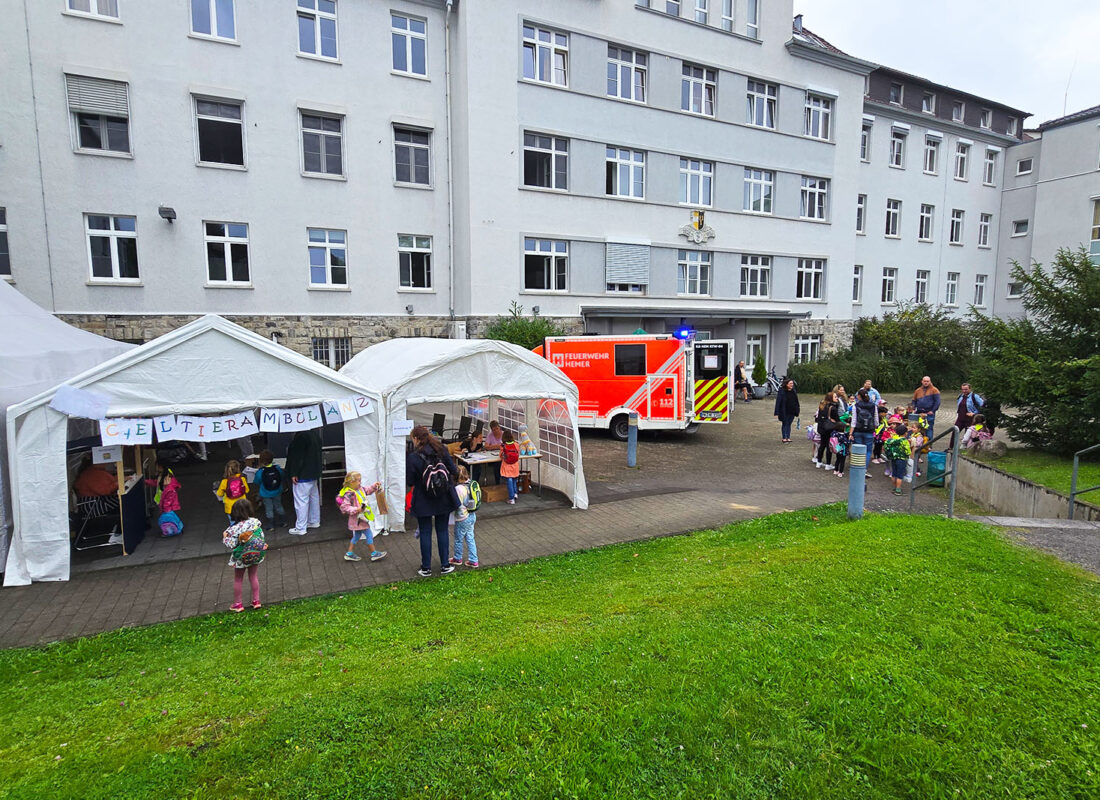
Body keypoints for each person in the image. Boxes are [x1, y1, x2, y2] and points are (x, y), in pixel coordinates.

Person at [406, 425, 459, 577]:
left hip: (423, 499)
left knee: (425, 532)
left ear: (416, 439)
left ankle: (426, 568)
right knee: (442, 530)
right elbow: (454, 471)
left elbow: (410, 481)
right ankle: (445, 565)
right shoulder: (441, 449)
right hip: (444, 496)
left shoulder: (413, 457)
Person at [222, 498, 267, 612]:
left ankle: (238, 604)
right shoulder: (255, 523)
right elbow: (261, 536)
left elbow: (231, 544)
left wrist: (225, 536)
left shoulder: (234, 529)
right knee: (253, 577)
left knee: (238, 579)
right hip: (255, 554)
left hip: (241, 558)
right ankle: (256, 601)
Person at [336, 471, 386, 563]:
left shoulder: (360, 489)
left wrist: (374, 486)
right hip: (358, 519)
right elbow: (345, 507)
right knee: (369, 534)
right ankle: (374, 553)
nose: (360, 482)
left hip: (360, 519)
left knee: (357, 535)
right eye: (359, 481)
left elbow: (367, 490)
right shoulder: (349, 493)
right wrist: (357, 509)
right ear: (352, 482)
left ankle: (349, 553)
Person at [286, 428, 323, 535]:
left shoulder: (300, 437)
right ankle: (314, 521)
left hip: (303, 474)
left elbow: (297, 457)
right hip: (314, 473)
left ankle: (301, 527)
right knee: (314, 498)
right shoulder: (315, 435)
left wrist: (294, 472)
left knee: (301, 501)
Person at [449, 465, 480, 568]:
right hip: (472, 515)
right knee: (470, 538)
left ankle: (457, 558)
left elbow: (457, 504)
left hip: (462, 518)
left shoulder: (458, 489)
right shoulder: (471, 483)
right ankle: (473, 560)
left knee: (458, 538)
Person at [850, 388, 879, 476]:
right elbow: (876, 419)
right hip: (869, 431)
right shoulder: (873, 405)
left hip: (858, 430)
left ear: (859, 396)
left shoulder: (856, 405)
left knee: (858, 449)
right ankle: (864, 469)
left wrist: (851, 433)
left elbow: (853, 421)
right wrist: (875, 427)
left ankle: (857, 468)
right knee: (868, 450)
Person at [256, 450, 287, 530]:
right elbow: (282, 475)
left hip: (265, 493)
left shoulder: (260, 471)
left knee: (269, 508)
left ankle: (271, 525)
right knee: (279, 505)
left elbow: (257, 481)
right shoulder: (277, 468)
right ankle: (283, 521)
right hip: (277, 491)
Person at [883, 419, 913, 497]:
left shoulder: (893, 439)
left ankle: (895, 487)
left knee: (894, 473)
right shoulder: (904, 441)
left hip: (893, 458)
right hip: (902, 459)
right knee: (900, 475)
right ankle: (898, 489)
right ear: (905, 433)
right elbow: (908, 451)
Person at [814, 392, 840, 470]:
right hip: (829, 428)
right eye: (835, 397)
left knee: (822, 444)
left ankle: (819, 462)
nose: (837, 398)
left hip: (822, 428)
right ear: (830, 398)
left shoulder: (822, 405)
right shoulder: (833, 408)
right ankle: (828, 464)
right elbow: (837, 419)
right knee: (829, 446)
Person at [912, 376, 941, 442]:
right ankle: (918, 443)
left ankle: (929, 444)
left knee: (929, 428)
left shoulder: (934, 390)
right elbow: (914, 400)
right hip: (919, 412)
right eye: (924, 381)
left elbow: (937, 402)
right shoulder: (918, 390)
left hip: (929, 413)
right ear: (922, 381)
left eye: (927, 381)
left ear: (930, 382)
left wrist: (933, 410)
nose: (926, 383)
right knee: (917, 428)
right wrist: (913, 408)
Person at [773, 378, 799, 443]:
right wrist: (777, 412)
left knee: (789, 424)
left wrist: (797, 409)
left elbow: (796, 401)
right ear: (786, 384)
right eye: (790, 383)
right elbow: (778, 402)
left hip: (792, 410)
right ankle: (784, 437)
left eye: (792, 383)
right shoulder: (782, 391)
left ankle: (788, 437)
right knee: (785, 423)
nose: (792, 385)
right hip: (784, 410)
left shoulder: (793, 391)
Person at [500, 431, 522, 504]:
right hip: (515, 466)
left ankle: (511, 498)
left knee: (509, 481)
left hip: (506, 466)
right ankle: (515, 493)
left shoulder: (503, 446)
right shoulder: (516, 444)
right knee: (514, 480)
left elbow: (501, 456)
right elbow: (518, 454)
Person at [484, 420, 504, 485]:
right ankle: (497, 482)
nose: (496, 431)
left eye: (497, 429)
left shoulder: (504, 434)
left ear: (499, 428)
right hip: (493, 456)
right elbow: (486, 446)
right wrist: (497, 446)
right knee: (497, 464)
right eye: (494, 430)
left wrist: (492, 446)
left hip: (503, 455)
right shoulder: (490, 435)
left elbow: (508, 444)